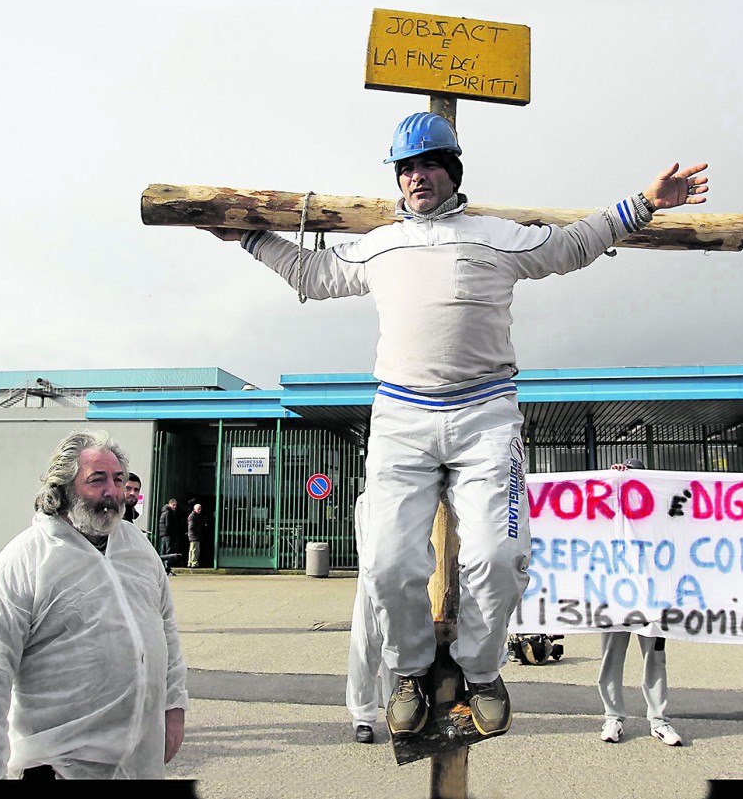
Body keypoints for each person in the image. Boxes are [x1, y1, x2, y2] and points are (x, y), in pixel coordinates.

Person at [202, 111, 709, 738]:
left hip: (486, 416)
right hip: (400, 417)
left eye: (429, 163)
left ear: (454, 169)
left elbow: (573, 244)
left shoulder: (498, 236)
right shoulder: (380, 242)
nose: (418, 176)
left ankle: (482, 669)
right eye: (406, 167)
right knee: (386, 563)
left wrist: (646, 204)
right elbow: (313, 274)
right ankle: (410, 671)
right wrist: (248, 237)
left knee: (499, 557)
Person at [0, 429, 189, 779]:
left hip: (139, 764)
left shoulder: (139, 551)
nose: (112, 491)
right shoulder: (27, 558)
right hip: (57, 765)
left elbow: (166, 631)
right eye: (97, 480)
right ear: (62, 489)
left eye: (118, 479)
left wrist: (174, 708)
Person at [597, 458, 682, 747]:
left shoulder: (658, 514)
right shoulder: (613, 510)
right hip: (617, 594)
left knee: (655, 659)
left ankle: (659, 721)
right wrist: (610, 482)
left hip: (651, 597)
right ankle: (613, 717)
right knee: (611, 657)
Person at [345, 494, 393, 744]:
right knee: (365, 645)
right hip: (371, 577)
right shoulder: (367, 501)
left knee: (401, 649)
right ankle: (363, 717)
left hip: (408, 578)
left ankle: (399, 715)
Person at [158, 497, 180, 573]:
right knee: (168, 551)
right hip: (167, 534)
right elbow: (168, 524)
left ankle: (163, 567)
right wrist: (173, 533)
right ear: (170, 504)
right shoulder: (168, 513)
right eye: (174, 505)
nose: (175, 507)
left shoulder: (164, 511)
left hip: (163, 534)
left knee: (163, 550)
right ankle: (167, 567)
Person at [187, 502, 207, 569]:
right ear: (194, 509)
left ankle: (190, 562)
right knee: (195, 550)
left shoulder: (194, 516)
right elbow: (191, 527)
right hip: (194, 536)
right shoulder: (192, 517)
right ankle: (194, 563)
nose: (200, 510)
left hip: (193, 536)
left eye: (200, 509)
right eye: (198, 509)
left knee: (192, 550)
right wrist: (197, 533)